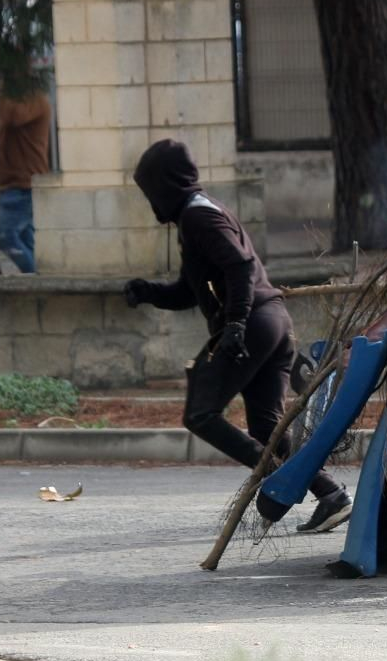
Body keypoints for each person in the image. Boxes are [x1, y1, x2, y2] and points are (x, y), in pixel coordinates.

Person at [124, 138, 353, 534]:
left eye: (151, 192)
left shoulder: (199, 217)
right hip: (271, 322)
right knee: (267, 429)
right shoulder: (198, 214)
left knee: (200, 414)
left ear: (165, 185)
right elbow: (189, 291)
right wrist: (150, 293)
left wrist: (234, 324)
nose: (151, 204)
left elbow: (241, 267)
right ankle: (331, 496)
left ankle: (279, 481)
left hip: (254, 326)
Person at [0, 90, 52, 273]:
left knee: (6, 236)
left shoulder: (34, 101)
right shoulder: (16, 101)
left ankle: (36, 283)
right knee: (27, 241)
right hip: (12, 184)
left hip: (24, 184)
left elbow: (13, 116)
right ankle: (42, 281)